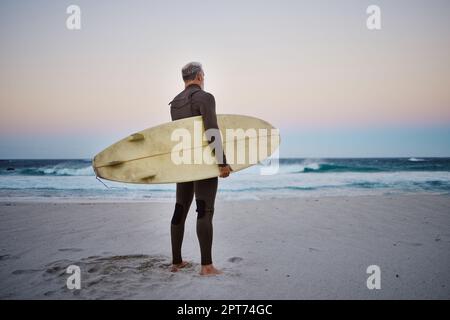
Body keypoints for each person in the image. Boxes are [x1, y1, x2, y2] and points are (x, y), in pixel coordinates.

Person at [168, 62, 232, 275]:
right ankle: (207, 266)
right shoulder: (205, 98)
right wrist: (222, 162)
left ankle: (176, 262)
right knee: (205, 210)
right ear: (200, 75)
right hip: (203, 163)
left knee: (180, 209)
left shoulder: (174, 103)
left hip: (183, 163)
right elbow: (211, 130)